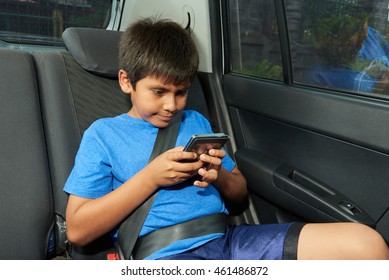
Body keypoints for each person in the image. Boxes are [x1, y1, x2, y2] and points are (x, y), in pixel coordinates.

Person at [64, 17, 389, 260]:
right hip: (165, 256)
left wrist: (217, 174)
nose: (171, 105)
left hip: (232, 241)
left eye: (181, 92)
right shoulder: (103, 135)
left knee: (367, 245)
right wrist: (151, 177)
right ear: (126, 82)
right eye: (159, 92)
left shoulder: (196, 121)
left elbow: (238, 196)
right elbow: (78, 230)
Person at [305, 0, 389, 94]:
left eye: (363, 22)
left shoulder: (372, 36)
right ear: (325, 39)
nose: (364, 35)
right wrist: (379, 93)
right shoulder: (320, 79)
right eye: (354, 29)